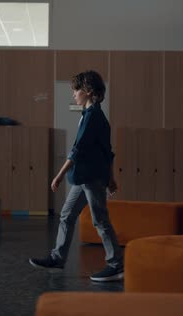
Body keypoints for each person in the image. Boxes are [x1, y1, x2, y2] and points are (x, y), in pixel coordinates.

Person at [29, 70, 123, 282]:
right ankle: (58, 257)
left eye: (76, 90)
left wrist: (59, 175)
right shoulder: (89, 116)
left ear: (88, 92)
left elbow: (78, 150)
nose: (73, 94)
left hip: (91, 178)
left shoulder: (94, 117)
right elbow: (107, 151)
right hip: (83, 178)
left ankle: (116, 265)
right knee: (67, 215)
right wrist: (112, 177)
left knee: (100, 221)